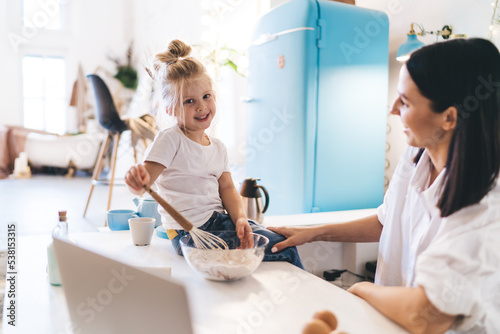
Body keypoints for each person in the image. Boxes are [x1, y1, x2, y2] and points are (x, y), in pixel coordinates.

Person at [269, 38, 500, 333]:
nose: (393, 110)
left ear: (449, 117)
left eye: (404, 102)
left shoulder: (488, 204)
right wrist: (314, 233)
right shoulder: (417, 152)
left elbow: (428, 316)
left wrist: (359, 290)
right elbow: (388, 220)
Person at [125, 39, 303, 269]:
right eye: (189, 101)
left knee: (278, 239)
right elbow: (142, 184)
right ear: (170, 109)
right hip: (190, 232)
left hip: (220, 222)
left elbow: (227, 188)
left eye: (206, 96)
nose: (201, 106)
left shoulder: (217, 146)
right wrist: (135, 180)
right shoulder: (171, 139)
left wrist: (240, 218)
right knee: (286, 248)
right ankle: (311, 304)